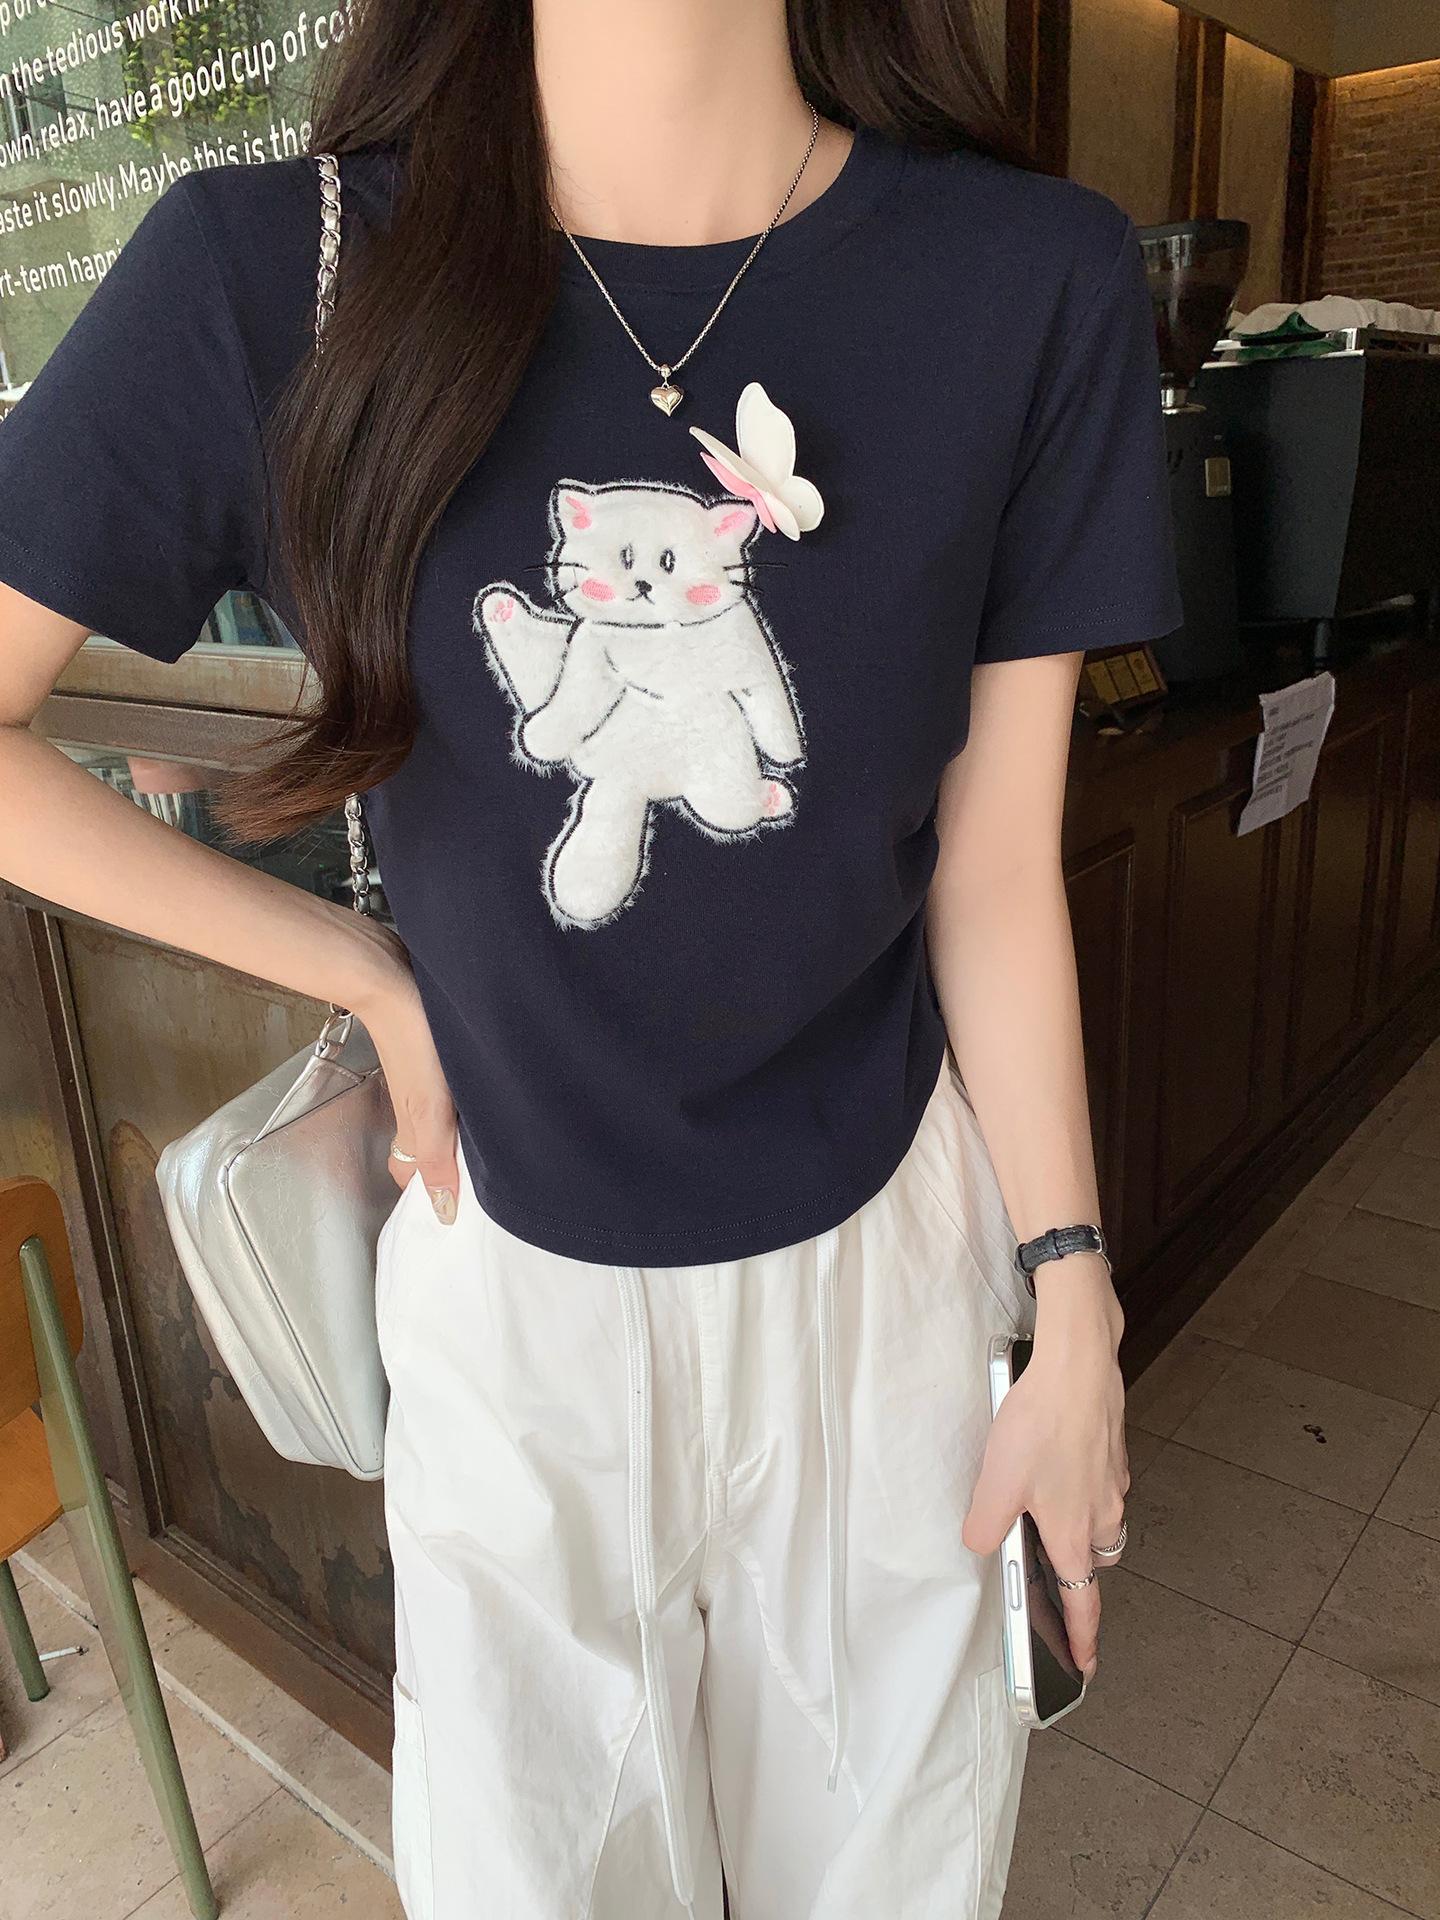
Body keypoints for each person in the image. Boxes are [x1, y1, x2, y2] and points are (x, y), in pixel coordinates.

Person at [0, 2, 1183, 1913]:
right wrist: (363, 972)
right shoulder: (274, 270)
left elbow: (991, 868)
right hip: (506, 1282)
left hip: (886, 1277)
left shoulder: (1027, 276)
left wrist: (1076, 1302)